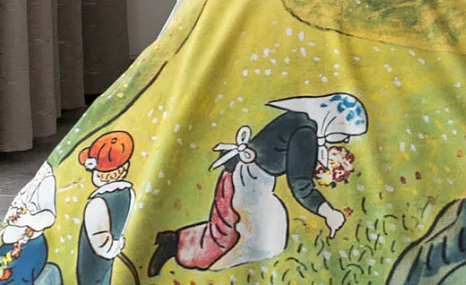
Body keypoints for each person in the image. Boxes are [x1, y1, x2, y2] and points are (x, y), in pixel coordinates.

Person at [148, 95, 365, 276]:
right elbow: (300, 184)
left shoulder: (302, 121)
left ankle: (176, 242)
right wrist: (328, 212)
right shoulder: (305, 133)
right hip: (247, 183)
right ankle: (189, 253)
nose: (345, 140)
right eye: (346, 132)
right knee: (254, 240)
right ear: (333, 120)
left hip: (245, 177)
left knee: (233, 231)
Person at [75, 132, 134, 285]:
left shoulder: (97, 203)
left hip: (95, 268)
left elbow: (101, 244)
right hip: (114, 262)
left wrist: (115, 247)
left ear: (97, 174)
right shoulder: (129, 193)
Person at [2, 164, 57, 285]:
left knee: (21, 275)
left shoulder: (47, 181)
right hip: (12, 240)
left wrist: (27, 219)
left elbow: (49, 216)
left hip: (31, 242)